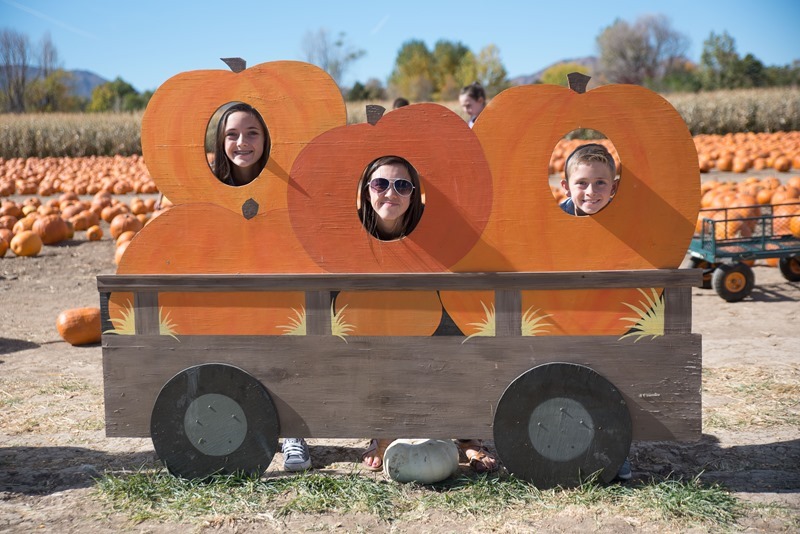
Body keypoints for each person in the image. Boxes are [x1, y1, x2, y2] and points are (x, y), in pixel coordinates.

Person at [356, 155, 498, 474]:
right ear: (366, 191)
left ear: (414, 194)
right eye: (380, 184)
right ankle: (383, 431)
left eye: (402, 185)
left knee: (453, 331)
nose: (390, 192)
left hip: (427, 302)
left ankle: (466, 436)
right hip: (374, 306)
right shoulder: (350, 229)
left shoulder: (429, 227)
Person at [211, 102, 270, 187]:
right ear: (222, 140)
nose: (241, 143)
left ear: (265, 138)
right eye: (232, 134)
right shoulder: (205, 179)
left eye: (252, 133)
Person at [559, 143, 619, 216]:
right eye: (581, 183)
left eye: (600, 182)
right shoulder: (555, 216)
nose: (591, 192)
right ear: (567, 188)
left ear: (613, 188)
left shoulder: (622, 215)